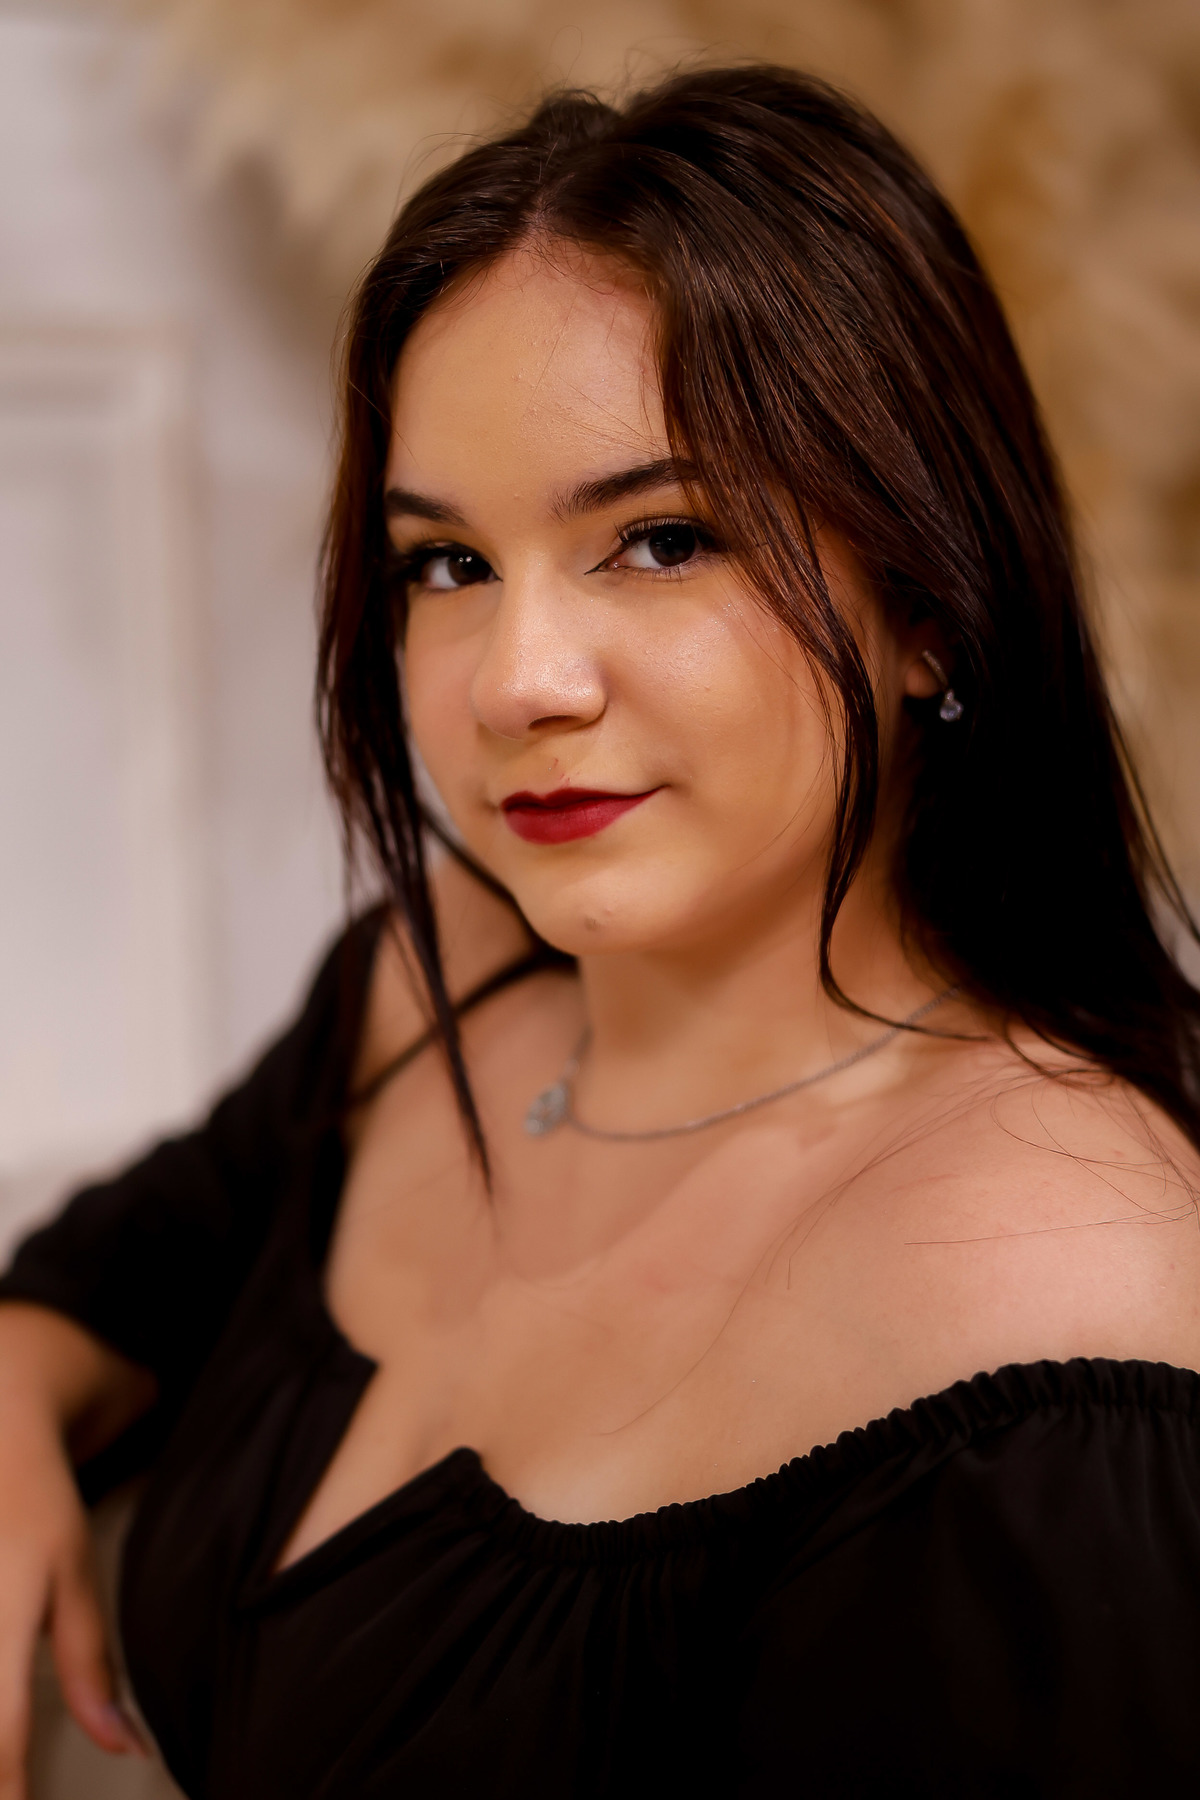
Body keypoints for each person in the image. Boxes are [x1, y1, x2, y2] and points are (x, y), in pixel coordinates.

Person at [2, 62, 1199, 1800]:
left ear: (930, 609)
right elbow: (118, 1263)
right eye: (446, 565)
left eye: (658, 540)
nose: (518, 683)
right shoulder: (429, 990)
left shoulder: (1053, 1317)